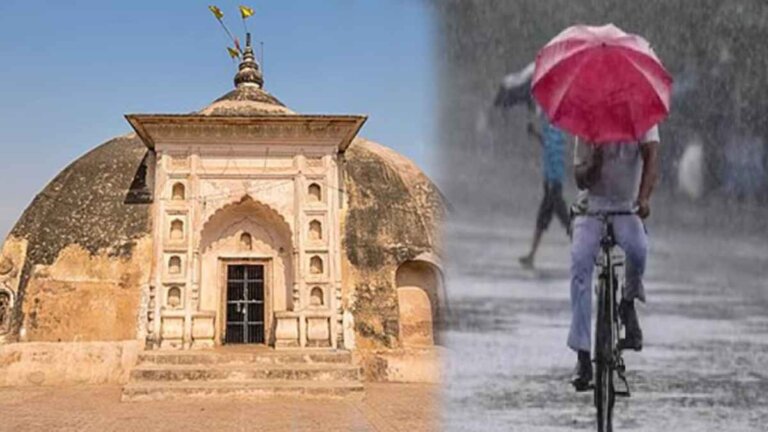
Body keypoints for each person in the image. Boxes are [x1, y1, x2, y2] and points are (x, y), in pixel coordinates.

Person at [569, 126, 659, 391]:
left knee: (639, 249)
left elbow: (652, 156)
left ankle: (627, 303)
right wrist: (593, 163)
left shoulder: (641, 116)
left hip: (625, 207)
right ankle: (583, 356)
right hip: (592, 209)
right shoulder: (586, 122)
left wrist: (643, 197)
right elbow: (579, 179)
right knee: (580, 263)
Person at [518, 109, 570, 269]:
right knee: (543, 221)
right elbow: (547, 146)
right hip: (550, 185)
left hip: (553, 185)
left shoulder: (556, 131)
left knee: (566, 222)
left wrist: (552, 182)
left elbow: (553, 153)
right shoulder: (553, 130)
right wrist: (534, 133)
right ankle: (531, 255)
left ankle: (587, 254)